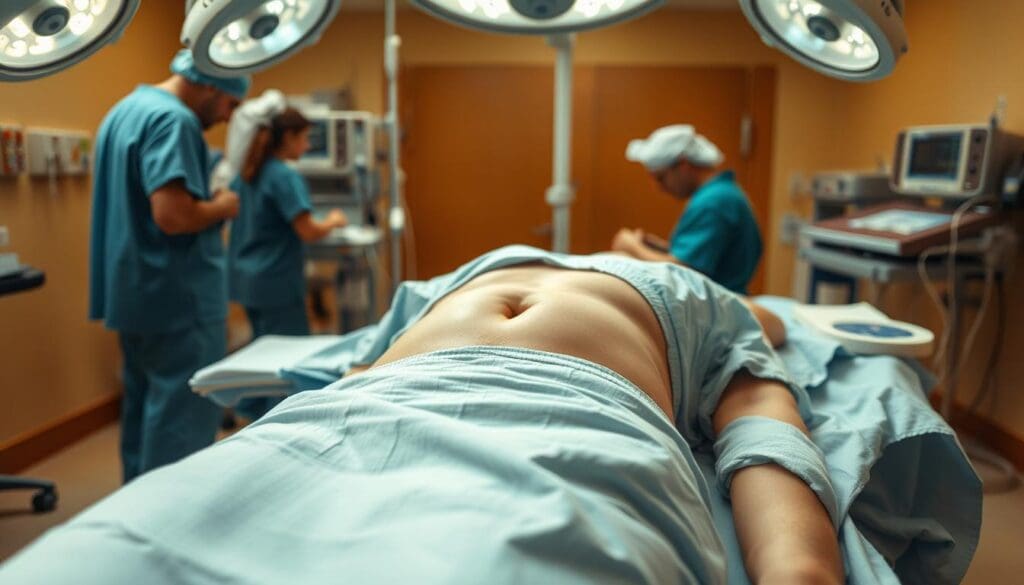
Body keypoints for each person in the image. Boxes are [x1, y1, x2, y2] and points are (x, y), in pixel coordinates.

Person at [9, 246, 841, 584]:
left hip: (572, 418)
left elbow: (762, 415)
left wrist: (796, 571)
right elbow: (361, 362)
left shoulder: (707, 296)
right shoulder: (462, 273)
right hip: (368, 412)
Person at [88, 49, 250, 483]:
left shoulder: (123, 111)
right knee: (181, 422)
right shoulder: (174, 120)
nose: (227, 117)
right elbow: (173, 215)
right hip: (182, 300)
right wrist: (222, 205)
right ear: (213, 84)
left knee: (144, 415)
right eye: (231, 105)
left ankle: (136, 511)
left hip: (136, 295)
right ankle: (170, 523)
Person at [227, 105, 349, 420]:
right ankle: (281, 422)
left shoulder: (249, 173)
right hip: (276, 284)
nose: (307, 147)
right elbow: (308, 230)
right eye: (305, 139)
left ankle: (257, 417)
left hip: (248, 282)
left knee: (262, 357)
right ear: (289, 138)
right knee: (287, 362)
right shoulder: (283, 176)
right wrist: (334, 221)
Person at [612, 124, 763, 294]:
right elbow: (706, 257)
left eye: (661, 178)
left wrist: (631, 246)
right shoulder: (723, 193)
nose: (659, 188)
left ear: (683, 165)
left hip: (718, 309)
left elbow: (683, 273)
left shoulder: (713, 202)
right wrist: (663, 248)